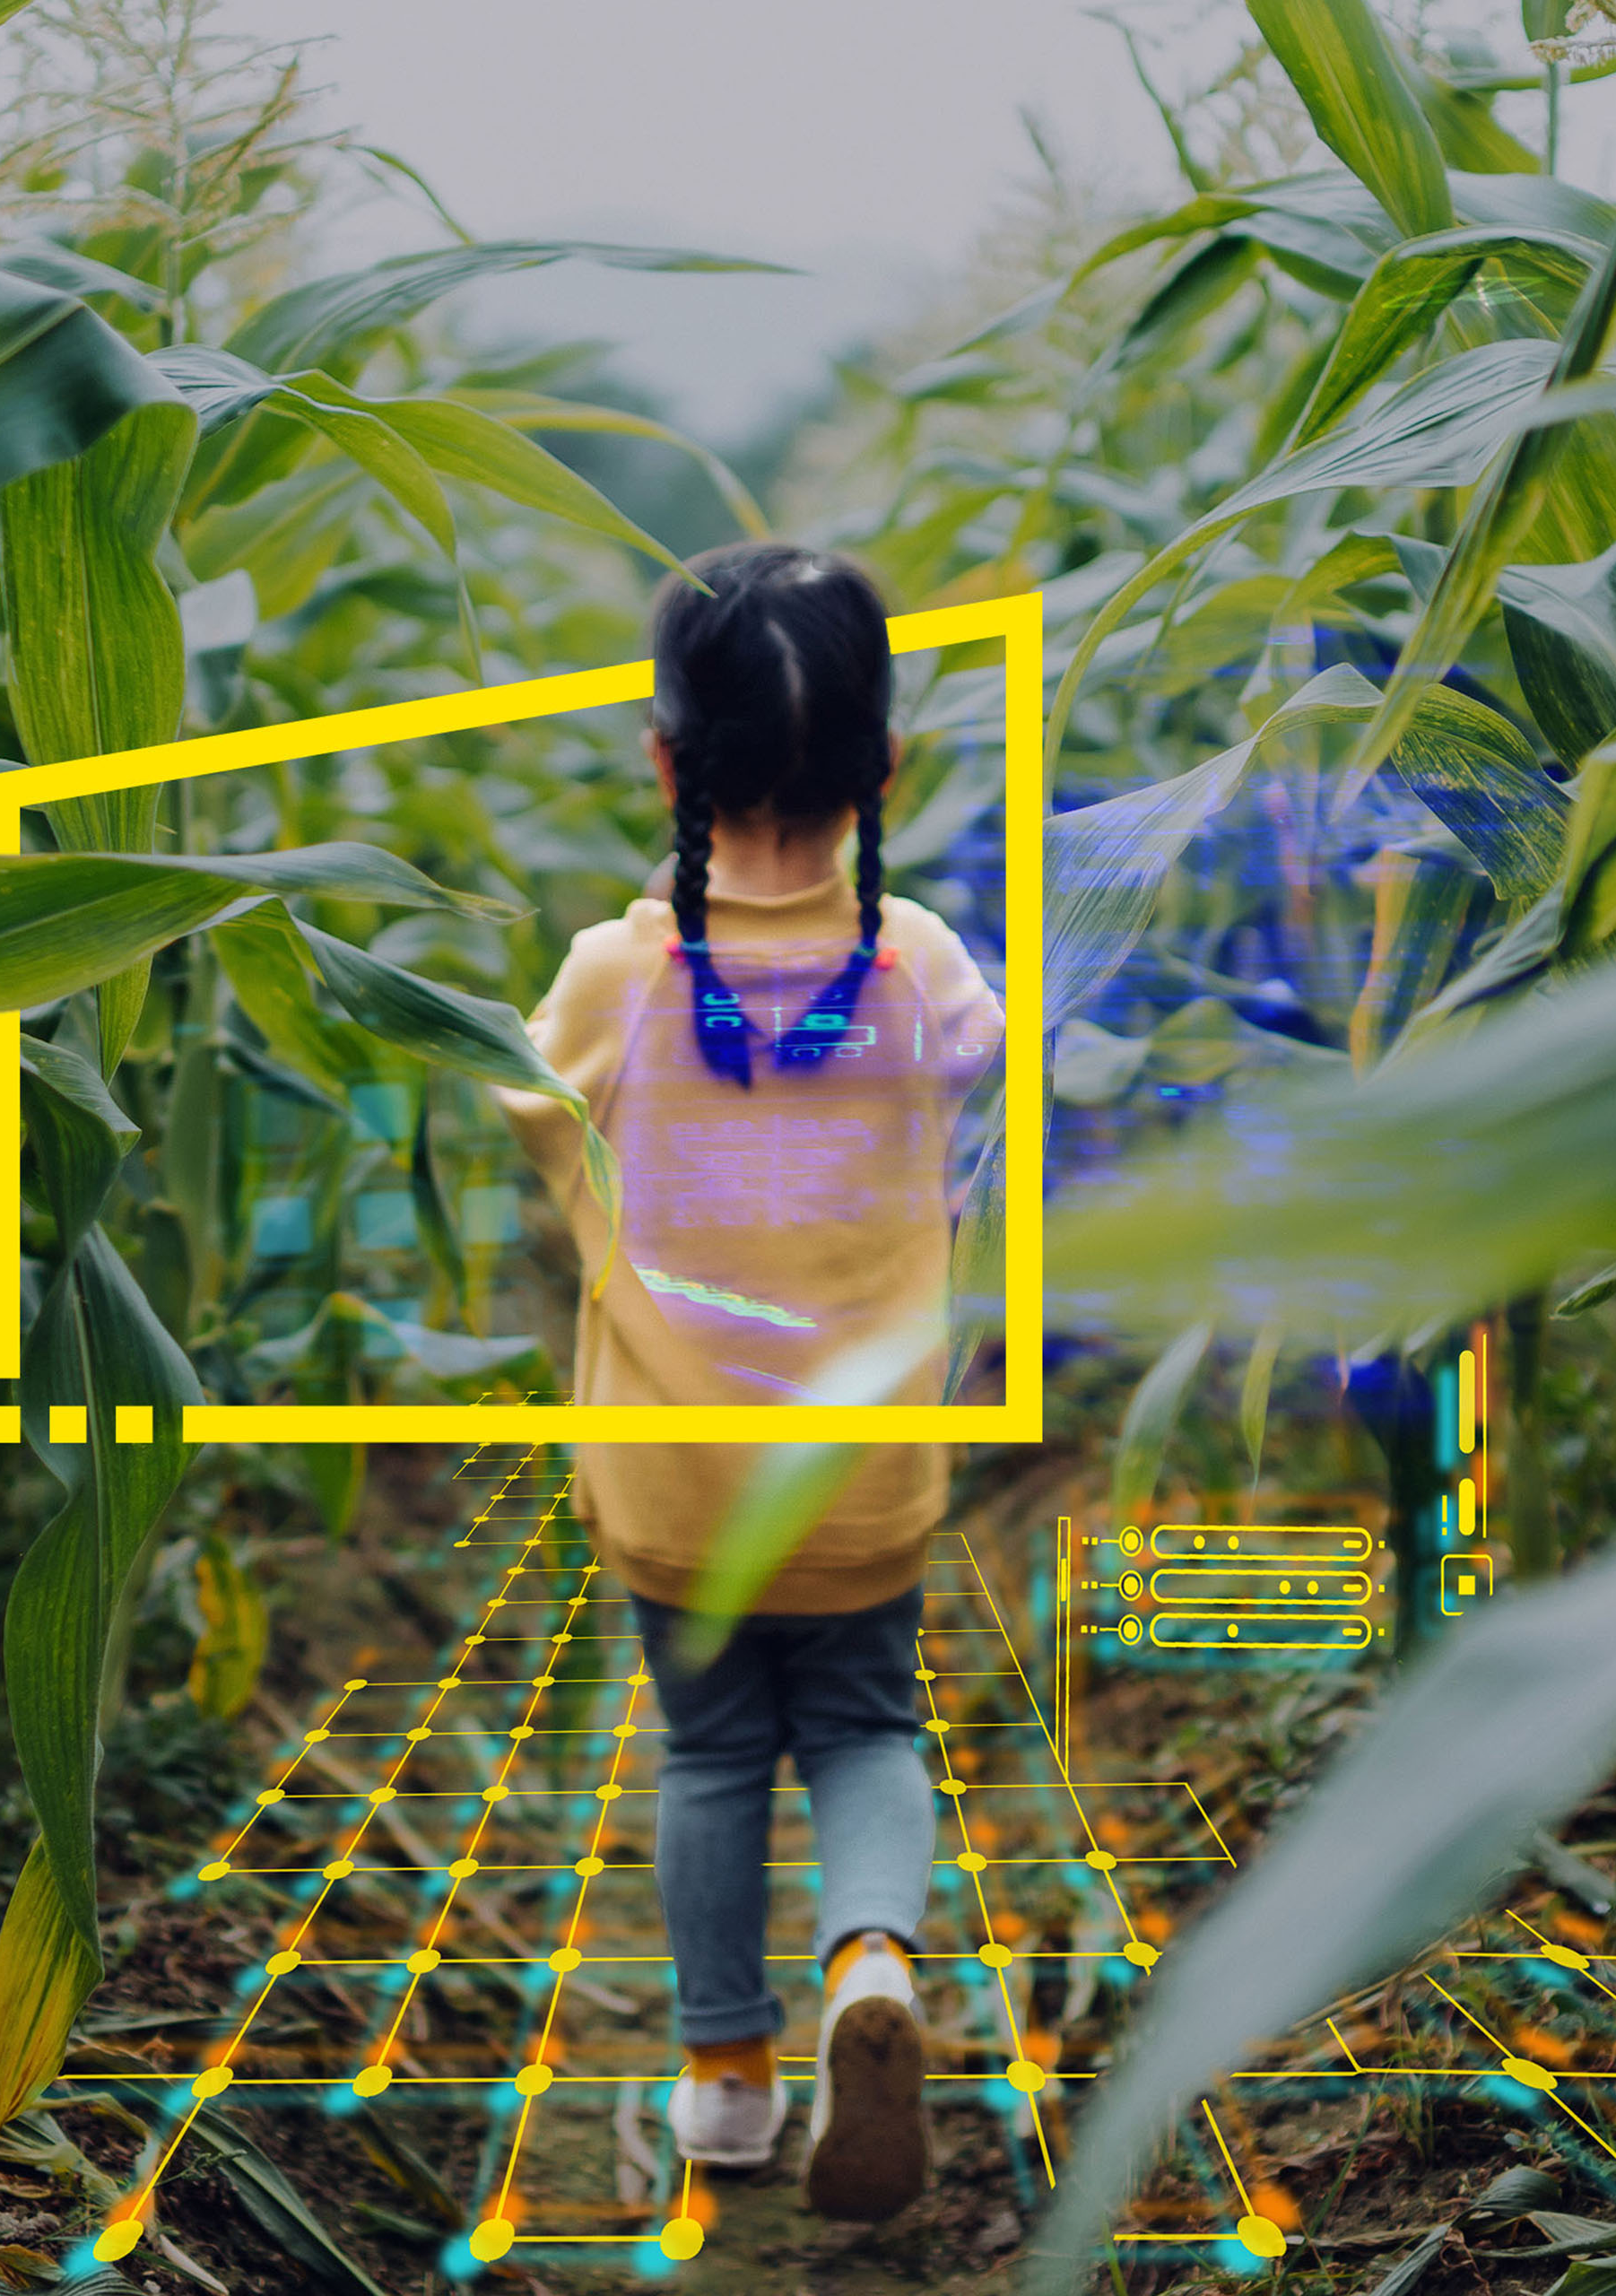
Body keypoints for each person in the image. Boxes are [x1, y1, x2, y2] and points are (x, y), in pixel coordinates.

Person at [491, 541, 1002, 2221]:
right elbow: (984, 1105)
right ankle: (870, 1957)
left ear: (665, 764)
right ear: (888, 771)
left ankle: (723, 2075)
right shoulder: (920, 968)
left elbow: (526, 1126)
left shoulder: (611, 978)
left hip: (678, 1477)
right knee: (862, 1722)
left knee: (711, 1755)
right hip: (861, 1474)